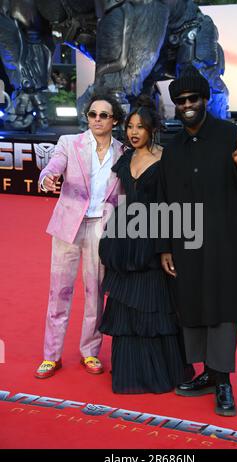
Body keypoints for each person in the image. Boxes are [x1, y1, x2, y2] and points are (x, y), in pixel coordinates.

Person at [157, 64, 237, 416]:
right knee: (191, 307)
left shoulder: (231, 136)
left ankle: (223, 381)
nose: (187, 104)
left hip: (225, 242)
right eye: (181, 100)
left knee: (222, 310)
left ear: (205, 99)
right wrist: (165, 246)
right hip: (187, 243)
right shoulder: (172, 149)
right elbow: (164, 199)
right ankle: (206, 373)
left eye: (193, 98)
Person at [99, 95, 186, 394]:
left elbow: (172, 203)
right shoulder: (125, 158)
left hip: (152, 238)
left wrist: (166, 245)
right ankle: (130, 371)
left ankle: (159, 371)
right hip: (124, 237)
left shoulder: (165, 159)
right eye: (130, 126)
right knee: (124, 302)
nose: (134, 132)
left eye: (140, 127)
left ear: (153, 129)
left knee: (153, 304)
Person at [35, 93, 125, 379]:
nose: (96, 119)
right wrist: (47, 177)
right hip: (68, 226)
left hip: (102, 227)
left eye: (103, 115)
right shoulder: (68, 143)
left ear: (114, 120)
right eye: (92, 114)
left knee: (95, 293)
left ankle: (90, 351)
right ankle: (51, 355)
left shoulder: (123, 151)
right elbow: (53, 166)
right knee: (59, 291)